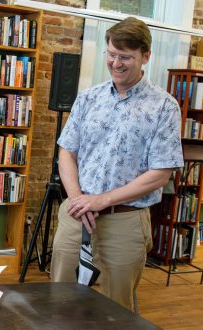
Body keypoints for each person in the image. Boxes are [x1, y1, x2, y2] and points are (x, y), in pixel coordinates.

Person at [50, 17, 183, 311]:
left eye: (126, 57)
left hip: (125, 222)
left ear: (146, 56)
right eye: (111, 54)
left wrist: (101, 200)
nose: (116, 63)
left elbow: (160, 174)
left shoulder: (164, 106)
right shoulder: (89, 98)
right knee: (58, 301)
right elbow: (66, 153)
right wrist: (77, 199)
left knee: (116, 311)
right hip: (76, 214)